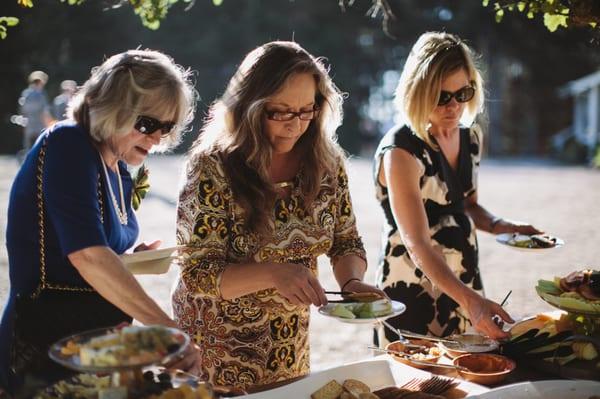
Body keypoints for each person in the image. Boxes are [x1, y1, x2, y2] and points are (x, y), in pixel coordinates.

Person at [173, 41, 383, 392]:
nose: (295, 125)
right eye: (281, 112)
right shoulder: (211, 167)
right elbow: (197, 274)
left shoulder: (327, 164)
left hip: (289, 349)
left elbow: (346, 241)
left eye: (307, 110)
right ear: (248, 108)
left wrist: (352, 284)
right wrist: (274, 273)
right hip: (215, 351)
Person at [0, 49, 199, 396]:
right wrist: (167, 332)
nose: (156, 138)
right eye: (147, 124)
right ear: (112, 107)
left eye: (166, 128)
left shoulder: (117, 167)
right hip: (42, 351)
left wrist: (129, 257)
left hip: (95, 350)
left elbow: (88, 250)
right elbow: (88, 256)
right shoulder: (68, 143)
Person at [373, 32, 541, 346]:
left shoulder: (471, 137)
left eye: (463, 92)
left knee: (469, 379)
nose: (454, 106)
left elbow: (466, 204)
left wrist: (501, 226)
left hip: (463, 276)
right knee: (413, 386)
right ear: (417, 92)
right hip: (413, 285)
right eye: (442, 96)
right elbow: (417, 243)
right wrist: (470, 300)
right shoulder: (401, 151)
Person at [18, 70, 52, 152]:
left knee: (28, 148)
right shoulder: (41, 94)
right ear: (40, 82)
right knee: (40, 147)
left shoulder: (25, 94)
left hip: (28, 124)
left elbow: (22, 110)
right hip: (39, 125)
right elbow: (45, 111)